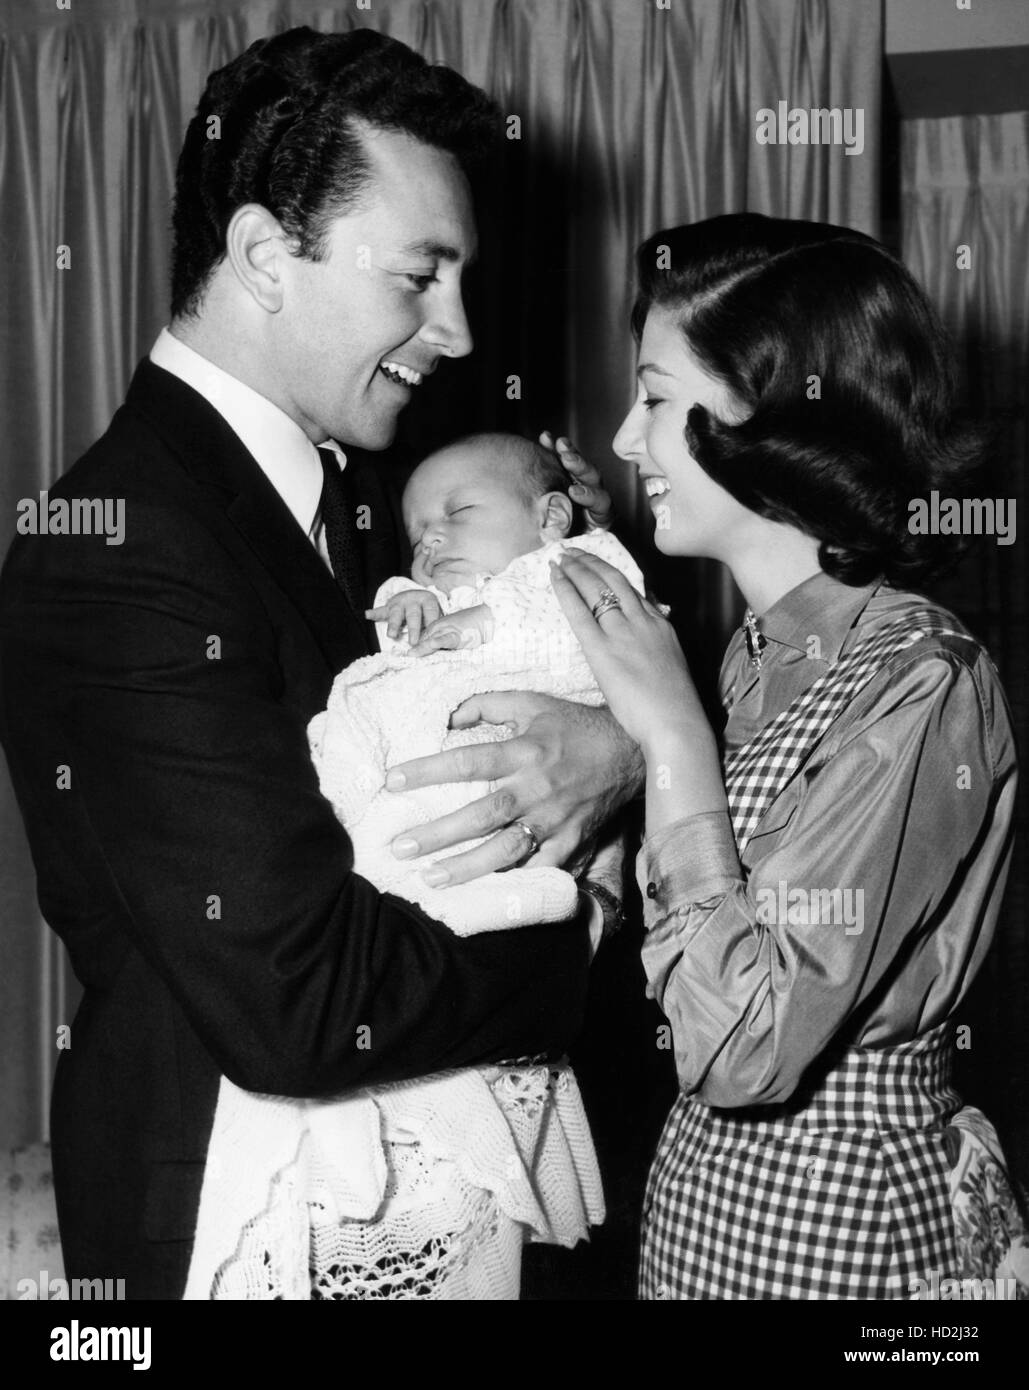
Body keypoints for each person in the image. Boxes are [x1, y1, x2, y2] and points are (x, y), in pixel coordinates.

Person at [0, 27, 639, 1300]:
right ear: (261, 256)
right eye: (420, 275)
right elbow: (304, 995)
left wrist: (616, 748)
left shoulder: (375, 499)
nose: (457, 331)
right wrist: (595, 936)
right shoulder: (117, 542)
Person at [552, 212, 1028, 1300]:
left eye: (657, 399)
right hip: (709, 1207)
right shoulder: (753, 659)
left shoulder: (923, 681)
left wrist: (671, 740)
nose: (628, 439)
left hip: (848, 1229)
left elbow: (749, 1043)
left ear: (764, 418)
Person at [186, 432, 642, 1300]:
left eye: (456, 516)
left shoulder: (574, 573)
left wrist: (492, 627)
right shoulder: (416, 581)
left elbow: (603, 646)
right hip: (365, 872)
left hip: (480, 862)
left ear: (549, 517)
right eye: (417, 528)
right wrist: (416, 606)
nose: (430, 540)